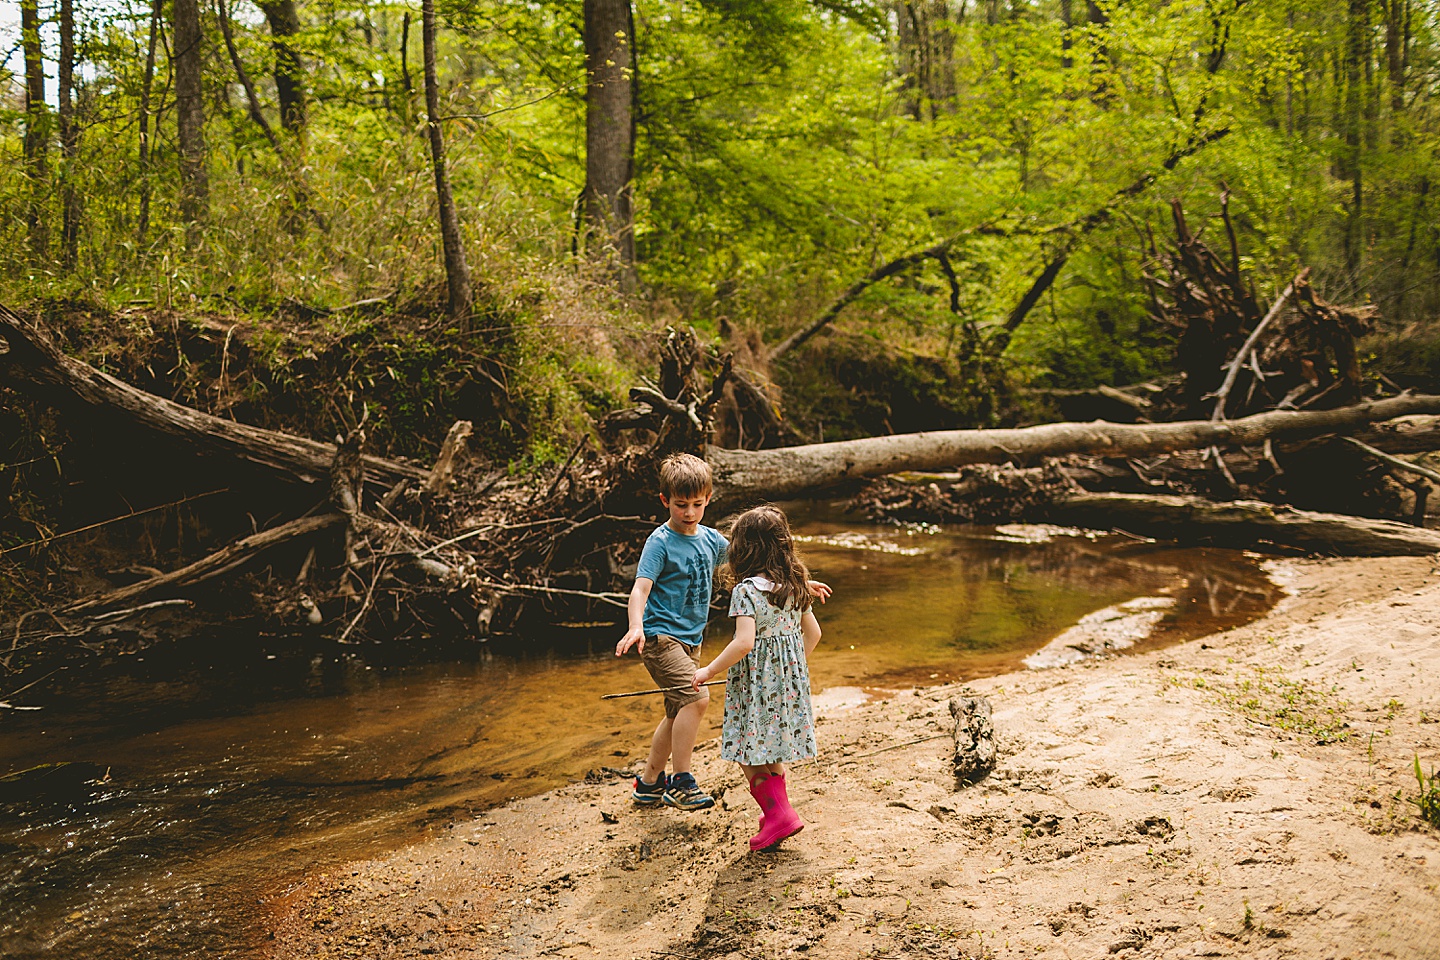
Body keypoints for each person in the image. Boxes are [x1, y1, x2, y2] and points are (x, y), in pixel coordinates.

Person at [693, 504, 821, 851]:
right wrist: (792, 669)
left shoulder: (746, 591)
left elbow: (744, 642)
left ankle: (779, 813)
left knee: (747, 751)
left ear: (742, 550)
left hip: (755, 689)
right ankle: (777, 812)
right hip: (789, 687)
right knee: (771, 748)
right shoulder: (795, 585)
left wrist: (708, 670)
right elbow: (814, 635)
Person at [615, 453, 730, 811]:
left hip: (691, 641)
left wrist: (795, 581)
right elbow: (640, 589)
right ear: (665, 501)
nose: (690, 512)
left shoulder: (712, 540)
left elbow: (751, 562)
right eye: (681, 505)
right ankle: (680, 780)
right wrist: (636, 626)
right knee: (697, 698)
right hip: (659, 638)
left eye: (698, 504)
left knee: (676, 711)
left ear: (708, 499)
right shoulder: (660, 542)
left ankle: (649, 783)